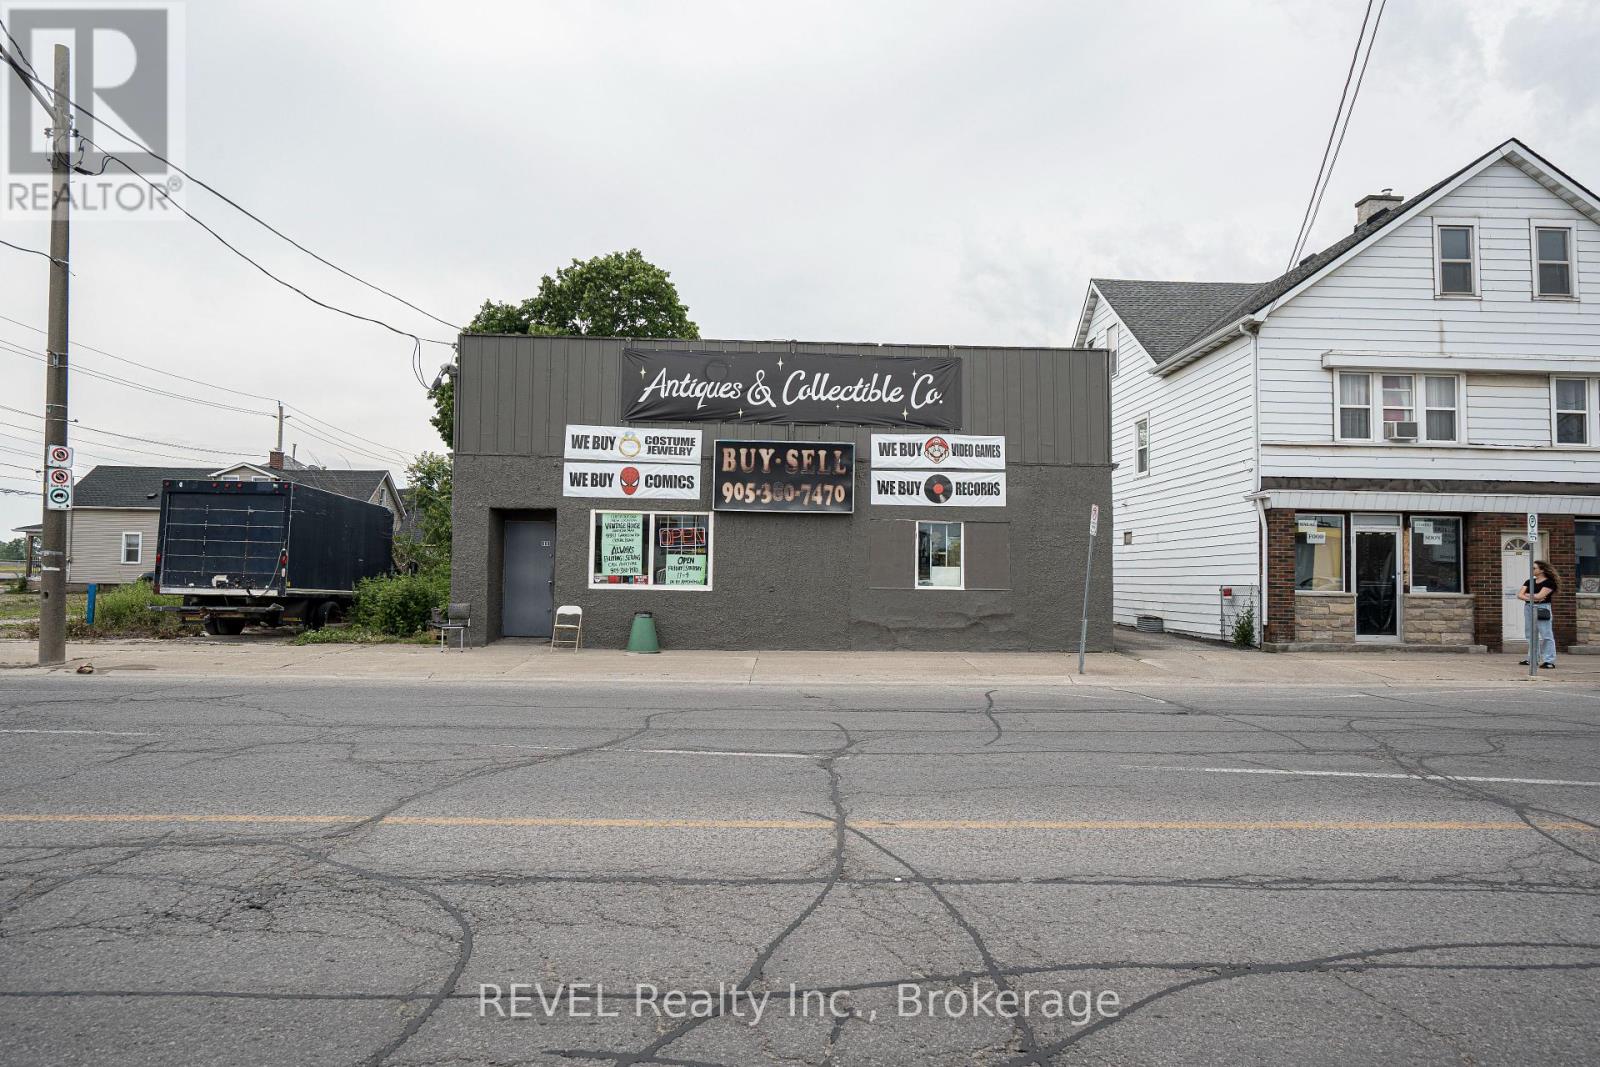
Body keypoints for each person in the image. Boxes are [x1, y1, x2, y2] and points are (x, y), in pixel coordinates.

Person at [1517, 560, 1559, 669]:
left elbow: (1540, 596)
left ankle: (1549, 660)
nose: (1532, 570)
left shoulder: (1549, 583)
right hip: (1528, 608)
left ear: (1542, 570)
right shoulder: (1529, 581)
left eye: (1534, 568)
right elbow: (1520, 595)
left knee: (1546, 634)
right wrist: (1533, 597)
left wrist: (1529, 596)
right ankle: (1532, 658)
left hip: (1543, 608)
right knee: (1530, 634)